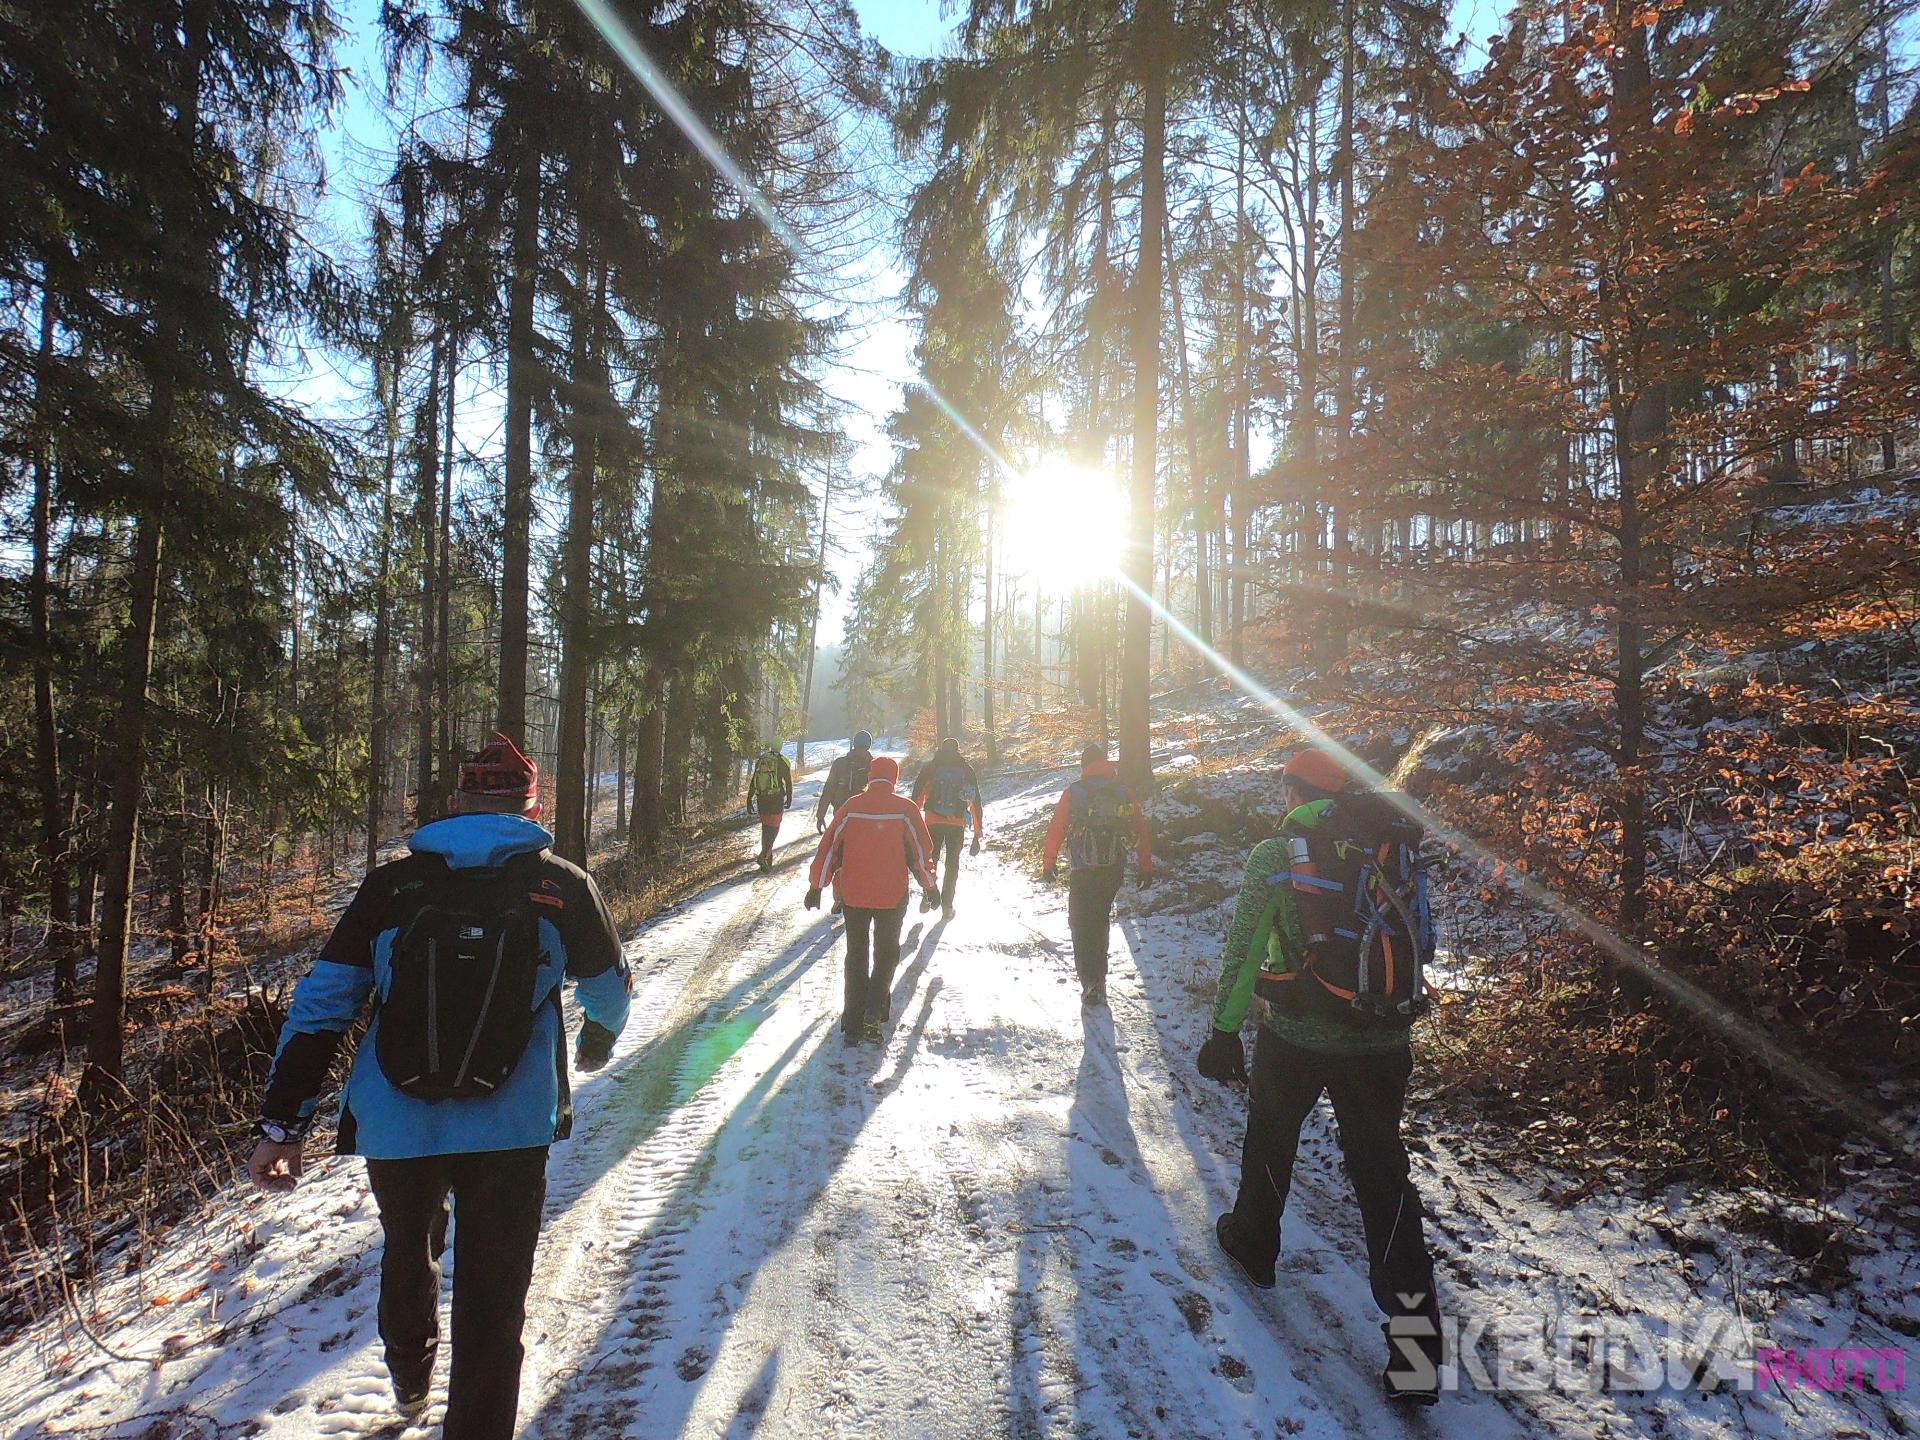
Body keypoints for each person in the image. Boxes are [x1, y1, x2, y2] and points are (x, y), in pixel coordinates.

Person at [247, 733, 632, 1439]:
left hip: (397, 1119)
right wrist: (594, 1042)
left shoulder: (393, 887)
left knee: (408, 1249)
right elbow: (610, 992)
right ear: (531, 803)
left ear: (455, 801)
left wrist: (282, 1126)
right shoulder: (562, 886)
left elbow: (323, 1004)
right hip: (512, 1124)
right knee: (493, 1294)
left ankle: (409, 1390)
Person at [1196, 747, 1444, 1406]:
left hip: (1297, 1034)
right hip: (1384, 1034)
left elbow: (1245, 949)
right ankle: (1416, 1354)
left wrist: (1223, 1032)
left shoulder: (1277, 855)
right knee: (1384, 1180)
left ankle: (1253, 1242)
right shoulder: (1394, 850)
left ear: (1292, 792)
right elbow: (1427, 939)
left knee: (1273, 1136)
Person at [805, 753, 939, 1044]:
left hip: (854, 894)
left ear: (869, 776)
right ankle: (874, 1013)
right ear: (895, 778)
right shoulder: (906, 809)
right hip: (892, 895)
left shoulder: (852, 807)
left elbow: (828, 848)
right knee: (886, 953)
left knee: (856, 953)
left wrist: (817, 885)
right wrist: (930, 887)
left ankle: (852, 1018)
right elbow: (921, 853)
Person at [1041, 742, 1153, 1007]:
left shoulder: (1075, 792)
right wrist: (1145, 865)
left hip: (1082, 868)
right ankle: (1099, 978)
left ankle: (1089, 979)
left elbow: (1057, 828)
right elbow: (1140, 828)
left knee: (1080, 922)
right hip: (1113, 867)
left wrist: (1049, 863)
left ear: (1083, 766)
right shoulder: (1123, 791)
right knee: (1100, 918)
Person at [910, 736, 983, 919]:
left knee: (930, 860)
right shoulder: (966, 769)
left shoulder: (931, 767)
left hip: (932, 821)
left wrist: (909, 822)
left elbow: (918, 795)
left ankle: (928, 895)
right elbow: (975, 802)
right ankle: (947, 905)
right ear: (957, 749)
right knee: (952, 864)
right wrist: (977, 833)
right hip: (956, 823)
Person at [814, 730, 876, 916]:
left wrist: (820, 815)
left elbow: (828, 790)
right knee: (864, 861)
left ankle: (840, 897)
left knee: (840, 859)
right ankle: (859, 896)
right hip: (867, 823)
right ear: (869, 744)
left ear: (854, 743)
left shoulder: (840, 764)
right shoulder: (874, 766)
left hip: (841, 819)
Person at [745, 741, 794, 872]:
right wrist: (789, 797)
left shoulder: (761, 760)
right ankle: (764, 855)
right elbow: (788, 782)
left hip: (761, 799)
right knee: (774, 829)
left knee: (766, 829)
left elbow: (754, 781)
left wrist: (749, 799)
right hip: (776, 799)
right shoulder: (783, 761)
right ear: (781, 746)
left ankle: (768, 859)